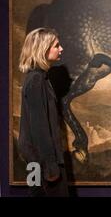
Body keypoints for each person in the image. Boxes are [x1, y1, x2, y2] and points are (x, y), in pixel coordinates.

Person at [18, 27, 69, 197]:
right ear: (43, 48)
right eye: (56, 45)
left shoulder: (37, 78)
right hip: (43, 163)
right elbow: (39, 127)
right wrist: (50, 166)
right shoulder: (37, 80)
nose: (60, 49)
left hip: (39, 161)